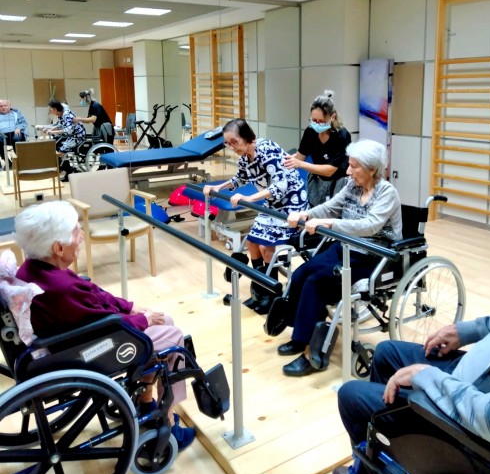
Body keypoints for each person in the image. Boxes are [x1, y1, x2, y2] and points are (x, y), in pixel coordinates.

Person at [14, 200, 195, 451]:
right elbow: (105, 326)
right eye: (76, 231)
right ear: (58, 247)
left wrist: (129, 307)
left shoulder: (35, 268)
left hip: (72, 337)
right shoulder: (63, 288)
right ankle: (169, 418)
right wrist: (143, 319)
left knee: (165, 320)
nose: (81, 236)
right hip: (87, 349)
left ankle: (145, 399)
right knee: (174, 336)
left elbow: (93, 293)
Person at [332, 309, 490, 474]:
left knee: (351, 397)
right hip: (483, 374)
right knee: (385, 353)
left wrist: (426, 376)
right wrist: (467, 331)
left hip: (485, 419)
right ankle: (382, 466)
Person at [278, 140, 402, 377]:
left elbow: (370, 225)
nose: (347, 171)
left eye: (354, 166)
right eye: (349, 165)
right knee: (302, 273)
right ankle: (300, 337)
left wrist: (329, 223)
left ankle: (313, 354)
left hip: (373, 256)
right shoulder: (351, 185)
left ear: (371, 169)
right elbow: (330, 207)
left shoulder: (387, 193)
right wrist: (305, 214)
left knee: (316, 283)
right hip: (345, 248)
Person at [203, 118, 307, 312]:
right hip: (272, 204)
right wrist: (218, 187)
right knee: (251, 242)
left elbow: (281, 186)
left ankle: (272, 296)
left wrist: (250, 198)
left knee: (265, 246)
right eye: (227, 143)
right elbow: (240, 178)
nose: (231, 147)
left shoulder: (267, 149)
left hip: (291, 204)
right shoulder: (245, 156)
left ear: (246, 137)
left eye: (234, 142)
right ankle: (260, 292)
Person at [283, 90, 351, 207]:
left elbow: (330, 170)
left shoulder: (342, 136)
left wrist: (300, 164)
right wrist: (286, 161)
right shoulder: (310, 131)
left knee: (331, 214)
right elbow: (299, 157)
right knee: (314, 212)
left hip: (338, 183)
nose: (317, 124)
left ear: (332, 117)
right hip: (317, 181)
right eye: (314, 120)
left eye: (321, 121)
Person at [43, 99, 86, 166]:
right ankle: (63, 165)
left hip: (78, 135)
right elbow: (61, 125)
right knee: (57, 145)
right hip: (72, 135)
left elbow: (68, 130)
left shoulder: (66, 115)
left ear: (55, 109)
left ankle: (66, 167)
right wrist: (51, 129)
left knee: (63, 149)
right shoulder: (61, 114)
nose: (50, 112)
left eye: (51, 110)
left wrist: (52, 132)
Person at [0, 100, 28, 166]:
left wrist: (18, 128)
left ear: (10, 106)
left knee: (17, 138)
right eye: (1, 106)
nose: (3, 107)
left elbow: (24, 123)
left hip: (15, 132)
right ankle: (6, 160)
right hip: (1, 134)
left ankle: (19, 160)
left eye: (5, 105)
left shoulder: (16, 113)